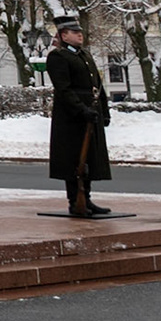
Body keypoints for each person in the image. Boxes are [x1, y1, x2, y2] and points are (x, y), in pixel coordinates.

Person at [45, 14, 112, 217]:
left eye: (80, 32)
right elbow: (63, 89)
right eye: (75, 32)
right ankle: (75, 201)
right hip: (71, 118)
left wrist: (104, 111)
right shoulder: (58, 57)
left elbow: (97, 86)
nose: (80, 35)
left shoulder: (84, 55)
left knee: (90, 157)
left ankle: (87, 199)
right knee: (75, 159)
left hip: (90, 113)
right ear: (64, 36)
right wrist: (81, 110)